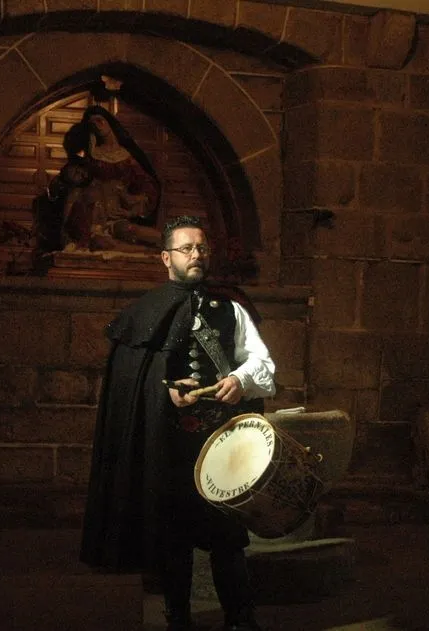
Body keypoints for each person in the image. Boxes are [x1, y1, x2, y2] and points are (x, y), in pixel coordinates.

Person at [80, 215, 275, 631]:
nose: (196, 255)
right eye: (186, 249)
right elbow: (130, 379)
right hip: (166, 445)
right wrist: (164, 390)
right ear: (166, 258)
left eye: (201, 248)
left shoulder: (232, 308)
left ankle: (240, 620)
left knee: (228, 537)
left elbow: (261, 361)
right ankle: (178, 620)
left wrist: (240, 381)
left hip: (223, 443)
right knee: (173, 539)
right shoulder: (144, 311)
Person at [58, 105, 163, 252]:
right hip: (93, 215)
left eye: (99, 120)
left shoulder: (127, 155)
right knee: (105, 242)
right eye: (92, 124)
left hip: (117, 211)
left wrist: (134, 205)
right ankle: (149, 252)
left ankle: (170, 244)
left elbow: (146, 184)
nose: (97, 126)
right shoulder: (91, 155)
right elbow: (75, 181)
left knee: (132, 230)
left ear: (109, 121)